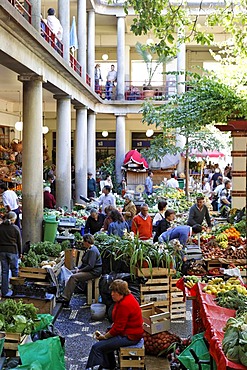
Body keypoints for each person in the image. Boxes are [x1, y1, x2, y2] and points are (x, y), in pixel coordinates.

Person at [86, 279, 143, 370]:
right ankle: (109, 366)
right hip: (128, 332)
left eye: (114, 292)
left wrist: (105, 337)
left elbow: (118, 329)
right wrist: (106, 334)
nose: (112, 294)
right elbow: (118, 324)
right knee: (104, 343)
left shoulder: (125, 304)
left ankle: (93, 367)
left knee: (96, 348)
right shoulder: (125, 299)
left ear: (120, 292)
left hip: (130, 337)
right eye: (112, 291)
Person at [57, 234, 102, 306]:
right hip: (89, 270)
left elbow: (90, 266)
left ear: (87, 241)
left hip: (93, 272)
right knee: (68, 271)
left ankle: (66, 298)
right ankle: (62, 292)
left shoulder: (92, 251)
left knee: (73, 277)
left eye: (83, 241)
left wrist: (80, 271)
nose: (83, 243)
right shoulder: (89, 249)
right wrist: (78, 268)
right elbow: (85, 263)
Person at [0, 212, 22, 297]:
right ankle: (16, 291)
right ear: (13, 219)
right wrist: (20, 253)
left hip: (2, 251)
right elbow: (19, 242)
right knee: (14, 270)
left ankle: (4, 292)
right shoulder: (15, 228)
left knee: (4, 272)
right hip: (12, 251)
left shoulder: (1, 227)